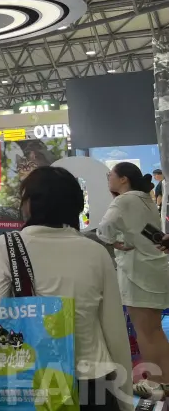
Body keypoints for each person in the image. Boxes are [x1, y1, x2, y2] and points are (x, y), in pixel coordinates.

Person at [0, 167, 132, 411]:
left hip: (33, 377)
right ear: (75, 205)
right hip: (92, 379)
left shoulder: (6, 245)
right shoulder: (95, 251)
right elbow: (114, 329)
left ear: (29, 203)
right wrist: (125, 401)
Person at [98, 161, 169, 398]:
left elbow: (104, 229)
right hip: (155, 269)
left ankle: (156, 383)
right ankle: (164, 382)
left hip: (137, 273)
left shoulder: (123, 201)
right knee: (154, 330)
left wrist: (113, 241)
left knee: (145, 332)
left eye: (111, 175)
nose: (109, 178)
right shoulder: (144, 198)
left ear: (123, 179)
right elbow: (150, 233)